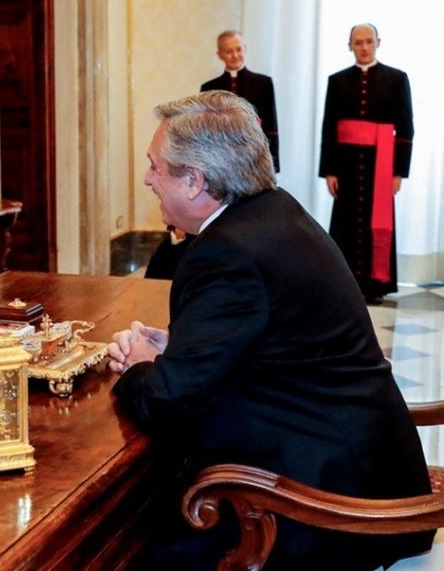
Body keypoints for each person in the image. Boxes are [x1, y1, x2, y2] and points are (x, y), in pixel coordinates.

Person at [107, 91, 431, 569]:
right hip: (364, 461)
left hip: (325, 502)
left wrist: (139, 368)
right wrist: (181, 349)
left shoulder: (226, 251)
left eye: (155, 166)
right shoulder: (273, 211)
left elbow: (166, 403)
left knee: (127, 543)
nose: (147, 178)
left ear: (195, 181)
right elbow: (279, 339)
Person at [319, 23, 413, 304]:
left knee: (378, 221)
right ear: (350, 45)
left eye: (368, 42)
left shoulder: (397, 79)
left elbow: (406, 128)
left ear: (378, 43)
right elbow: (329, 128)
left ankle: (375, 285)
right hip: (346, 163)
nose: (363, 47)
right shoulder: (337, 80)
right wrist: (329, 170)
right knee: (345, 221)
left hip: (380, 163)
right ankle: (345, 283)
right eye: (357, 42)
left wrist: (399, 172)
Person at [201, 30, 280, 173]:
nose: (235, 55)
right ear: (220, 55)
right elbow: (206, 130)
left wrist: (272, 165)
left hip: (255, 157)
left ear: (245, 49)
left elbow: (271, 128)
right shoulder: (209, 88)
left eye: (239, 49)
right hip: (221, 159)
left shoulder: (263, 83)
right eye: (229, 51)